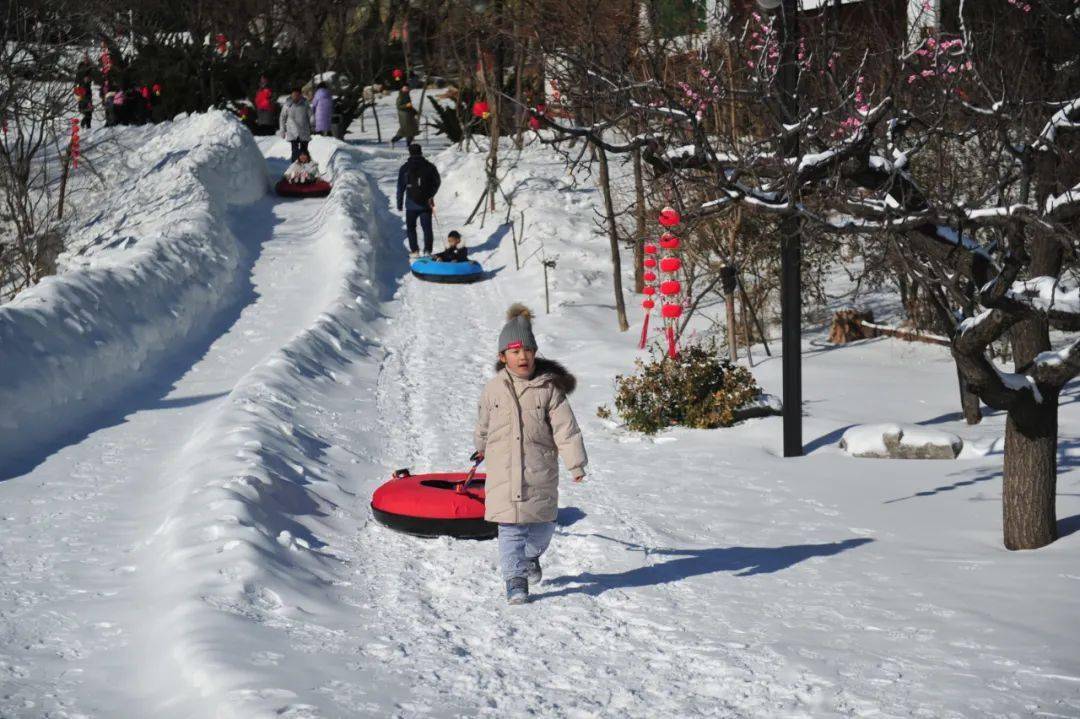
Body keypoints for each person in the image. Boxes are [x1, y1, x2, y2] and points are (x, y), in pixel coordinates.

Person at [473, 304, 588, 605]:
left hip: (539, 472)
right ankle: (515, 579)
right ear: (502, 357)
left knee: (543, 527)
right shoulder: (492, 389)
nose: (522, 356)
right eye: (514, 351)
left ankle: (530, 555)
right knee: (509, 528)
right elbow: (483, 422)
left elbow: (566, 428)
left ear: (535, 353)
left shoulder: (549, 389)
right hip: (503, 472)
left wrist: (575, 463)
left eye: (527, 350)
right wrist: (480, 446)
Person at [395, 143, 441, 258]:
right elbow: (437, 182)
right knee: (427, 228)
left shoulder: (405, 168)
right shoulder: (429, 166)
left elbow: (400, 187)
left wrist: (399, 203)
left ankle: (415, 251)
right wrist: (431, 195)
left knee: (411, 228)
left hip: (411, 205)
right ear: (421, 152)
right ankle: (427, 251)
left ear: (410, 153)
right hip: (426, 204)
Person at [279, 87, 313, 162]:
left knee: (304, 151)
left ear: (300, 95)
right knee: (295, 151)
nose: (296, 97)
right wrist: (282, 130)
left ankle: (305, 168)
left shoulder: (305, 103)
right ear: (291, 95)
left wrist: (312, 121)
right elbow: (282, 117)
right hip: (292, 130)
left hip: (304, 130)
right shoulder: (287, 105)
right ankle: (295, 167)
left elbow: (310, 114)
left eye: (297, 95)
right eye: (294, 95)